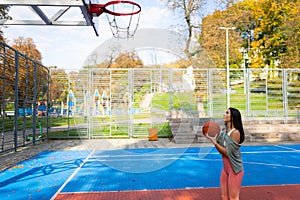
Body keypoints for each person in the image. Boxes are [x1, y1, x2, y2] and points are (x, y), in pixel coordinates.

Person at [205, 107, 245, 200]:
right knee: (224, 196)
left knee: (233, 197)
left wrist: (215, 143)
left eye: (227, 113)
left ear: (232, 117)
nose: (224, 114)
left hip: (235, 170)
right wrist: (212, 139)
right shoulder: (224, 132)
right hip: (226, 169)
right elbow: (221, 151)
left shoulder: (235, 133)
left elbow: (227, 153)